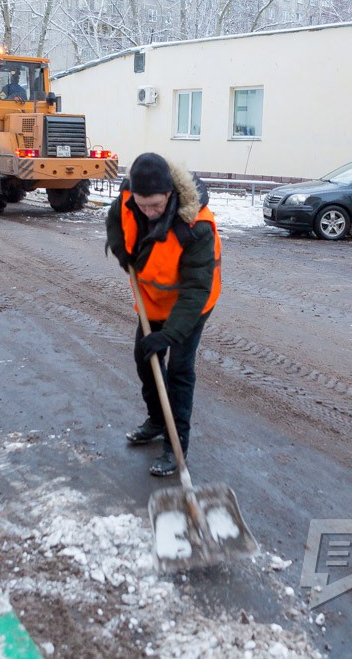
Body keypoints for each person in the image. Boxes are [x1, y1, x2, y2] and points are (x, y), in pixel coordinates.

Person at [105, 153, 221, 477]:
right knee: (145, 359)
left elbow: (196, 289)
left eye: (156, 205)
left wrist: (169, 335)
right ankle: (157, 421)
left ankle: (176, 445)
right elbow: (116, 221)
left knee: (179, 370)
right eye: (144, 206)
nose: (150, 212)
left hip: (191, 304)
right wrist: (121, 250)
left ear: (170, 193)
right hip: (153, 301)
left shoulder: (195, 226)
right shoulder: (130, 200)